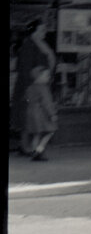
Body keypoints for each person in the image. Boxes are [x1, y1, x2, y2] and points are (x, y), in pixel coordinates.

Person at [12, 17, 55, 154]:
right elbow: (25, 69)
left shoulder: (40, 44)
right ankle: (26, 147)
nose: (45, 32)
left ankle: (29, 147)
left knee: (33, 118)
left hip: (40, 85)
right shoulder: (29, 45)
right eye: (42, 29)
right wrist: (33, 86)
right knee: (27, 117)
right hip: (30, 87)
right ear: (34, 31)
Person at [21, 65, 57, 161]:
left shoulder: (30, 87)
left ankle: (34, 152)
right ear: (39, 76)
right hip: (41, 113)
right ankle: (39, 150)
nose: (49, 77)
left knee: (36, 134)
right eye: (46, 75)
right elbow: (47, 102)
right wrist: (52, 114)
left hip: (30, 112)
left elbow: (26, 99)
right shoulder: (43, 88)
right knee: (51, 131)